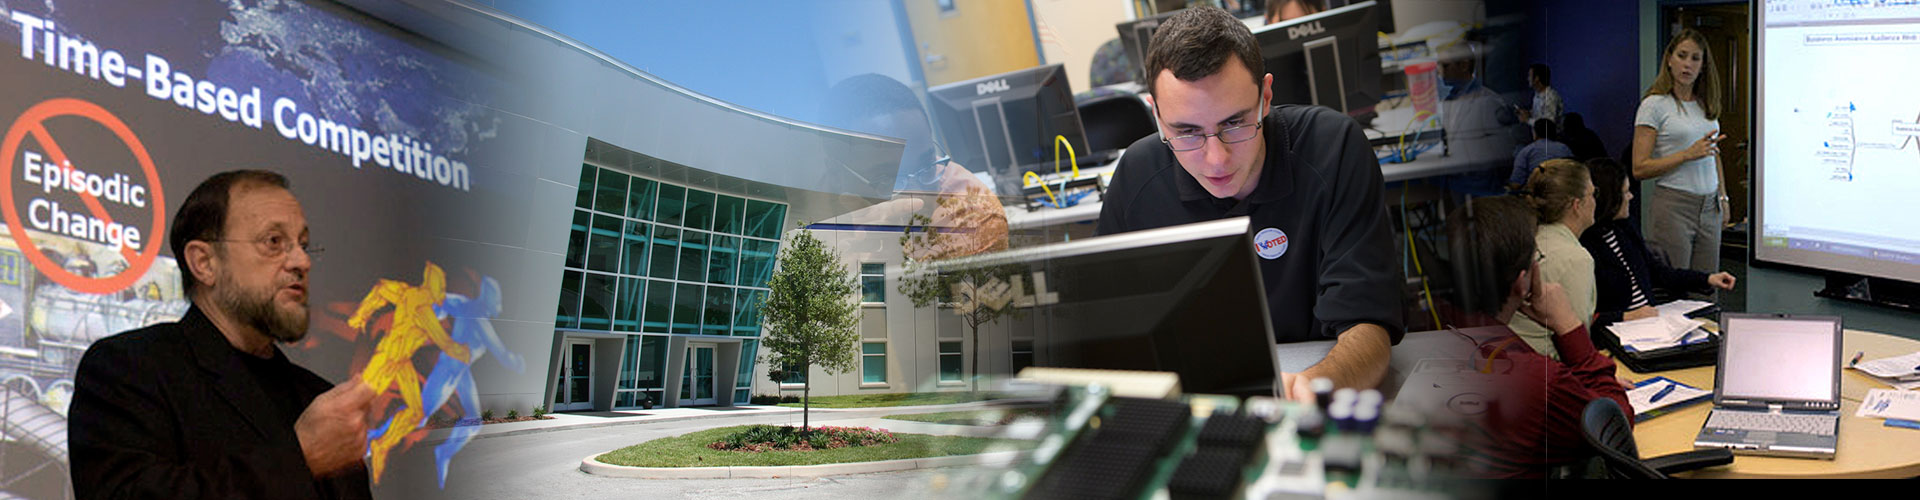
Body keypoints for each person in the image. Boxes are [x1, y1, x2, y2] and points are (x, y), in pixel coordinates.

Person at [1097, 6, 1403, 401]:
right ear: (1156, 115)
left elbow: (1369, 325)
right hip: (1196, 400)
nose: (1216, 159)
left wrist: (1314, 386)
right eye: (1186, 132)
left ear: (1266, 96)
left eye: (1235, 123)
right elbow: (1108, 328)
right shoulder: (1137, 176)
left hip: (1313, 392)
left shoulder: (1334, 149)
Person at [69, 170, 373, 499]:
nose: (301, 261)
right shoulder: (130, 368)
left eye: (303, 244)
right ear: (204, 263)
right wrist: (300, 458)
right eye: (274, 242)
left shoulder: (317, 397)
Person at [1439, 195, 1629, 478]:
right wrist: (1568, 327)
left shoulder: (1419, 331)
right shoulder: (1534, 380)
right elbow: (1615, 430)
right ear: (1522, 280)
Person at [1580, 158, 1736, 333]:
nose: (1631, 197)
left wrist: (1707, 278)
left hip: (1652, 322)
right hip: (1620, 331)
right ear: (1610, 200)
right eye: (1625, 192)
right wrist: (1626, 316)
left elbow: (1658, 272)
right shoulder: (1583, 246)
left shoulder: (1624, 228)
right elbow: (1583, 317)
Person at [1633, 28, 1728, 277]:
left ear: (1703, 66)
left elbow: (1712, 153)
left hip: (1710, 206)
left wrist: (1723, 197)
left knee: (1708, 288)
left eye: (1695, 58)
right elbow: (1639, 168)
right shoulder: (1654, 105)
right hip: (1674, 206)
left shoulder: (1706, 103)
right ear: (1669, 59)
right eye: (1682, 55)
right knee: (1675, 290)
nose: (1688, 64)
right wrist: (1686, 154)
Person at [1506, 159, 1596, 359]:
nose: (1595, 201)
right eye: (1592, 194)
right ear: (1577, 205)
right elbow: (1576, 344)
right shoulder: (1574, 258)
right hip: (1547, 370)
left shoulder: (1526, 239)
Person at [1508, 118, 1573, 190]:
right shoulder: (1564, 148)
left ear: (1534, 133)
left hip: (1538, 193)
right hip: (1562, 190)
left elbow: (1516, 184)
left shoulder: (1525, 151)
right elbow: (1574, 171)